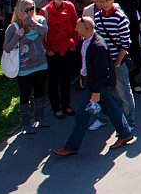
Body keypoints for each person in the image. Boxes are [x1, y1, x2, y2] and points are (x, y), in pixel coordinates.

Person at [52, 17, 134, 156]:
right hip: (91, 81)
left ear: (86, 29)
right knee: (110, 107)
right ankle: (125, 133)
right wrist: (82, 76)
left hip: (96, 84)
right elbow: (86, 63)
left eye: (78, 26)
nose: (76, 29)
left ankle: (71, 147)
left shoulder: (98, 46)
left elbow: (102, 72)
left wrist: (96, 91)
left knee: (82, 115)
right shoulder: (85, 41)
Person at [3, 0, 49, 133]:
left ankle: (40, 116)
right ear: (20, 11)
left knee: (40, 91)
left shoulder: (40, 20)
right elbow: (6, 48)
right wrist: (17, 36)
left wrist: (31, 21)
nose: (30, 11)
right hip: (24, 69)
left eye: (32, 9)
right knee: (25, 94)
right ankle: (25, 121)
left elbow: (44, 31)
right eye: (27, 10)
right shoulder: (13, 27)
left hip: (41, 64)